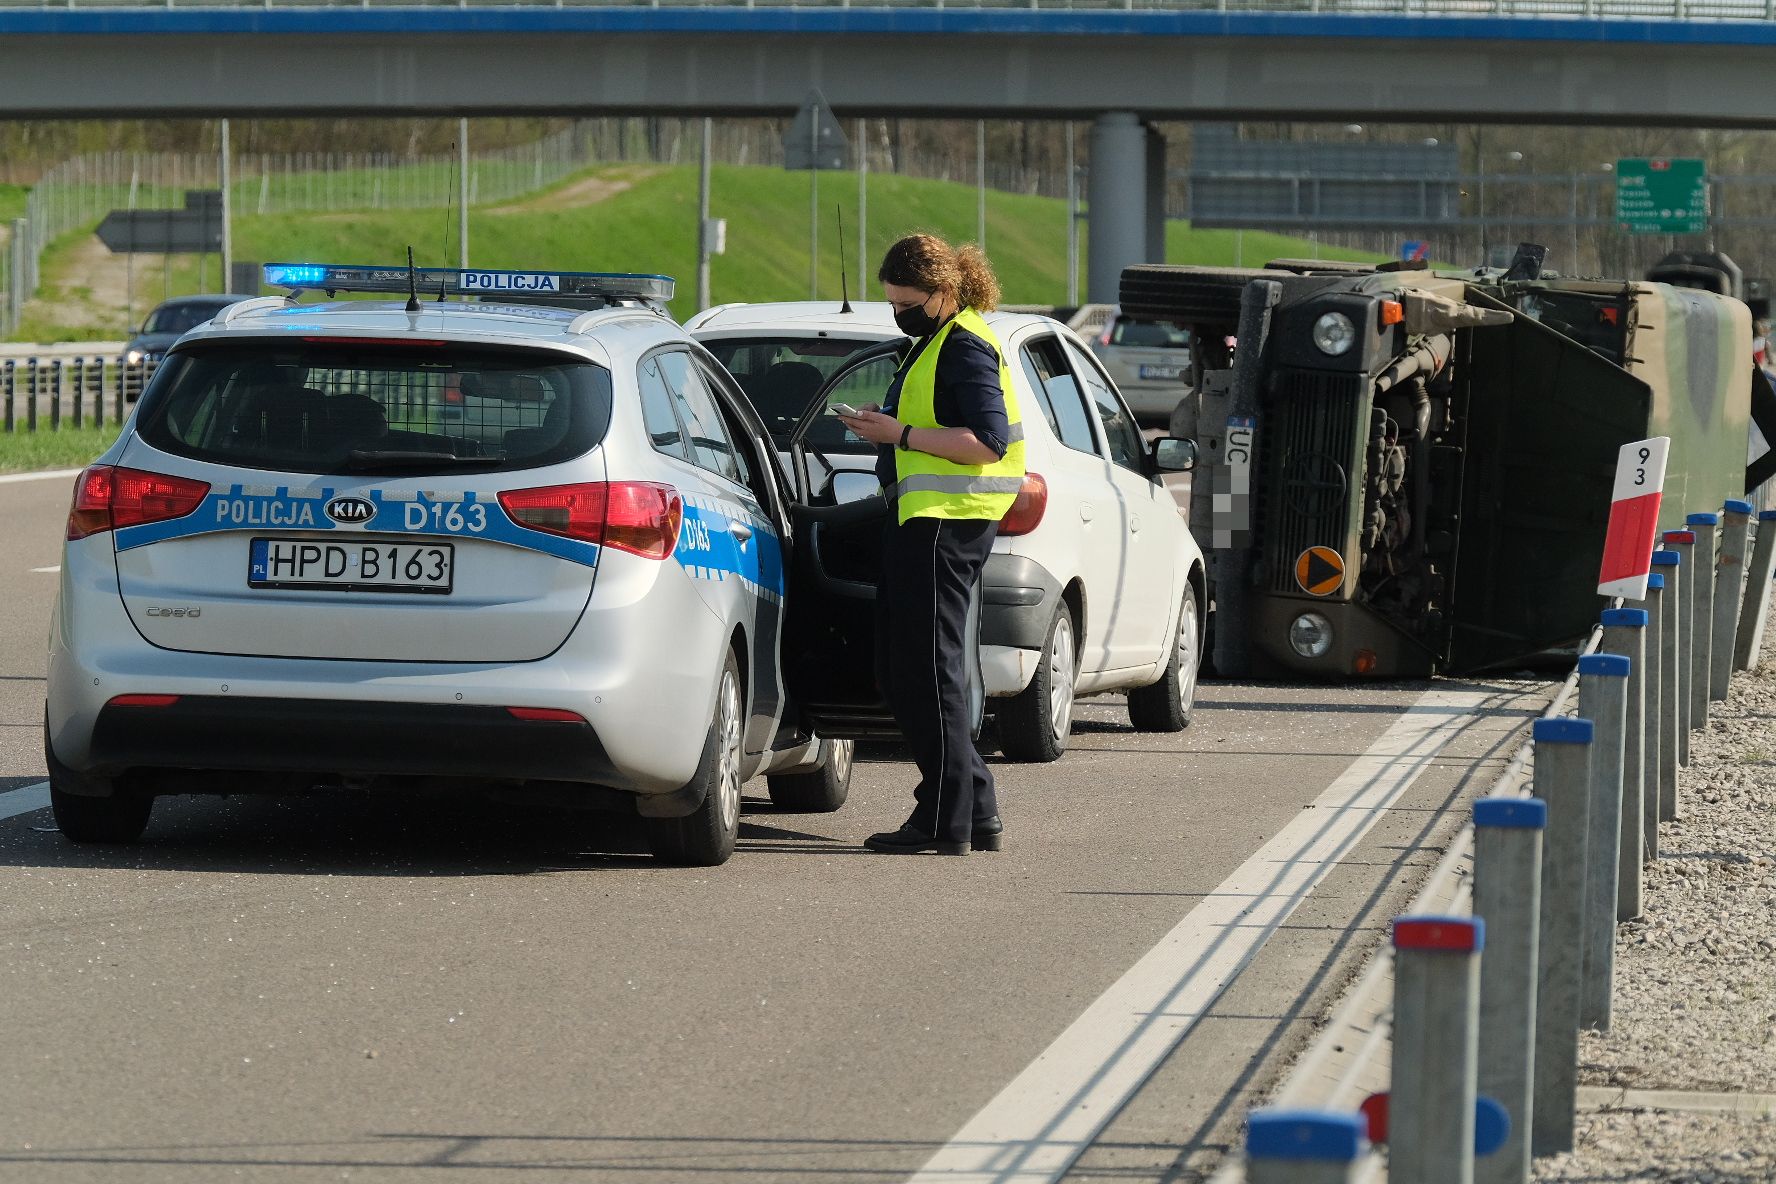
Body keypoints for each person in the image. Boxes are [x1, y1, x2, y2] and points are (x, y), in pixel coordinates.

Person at [835, 233, 1026, 856]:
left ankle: (946, 822)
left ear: (944, 293)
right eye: (891, 301)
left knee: (926, 674)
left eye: (907, 301)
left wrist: (902, 432)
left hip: (947, 522)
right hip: (928, 520)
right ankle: (978, 808)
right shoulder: (938, 340)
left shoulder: (964, 346)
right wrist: (886, 432)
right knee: (904, 671)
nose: (898, 312)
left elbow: (986, 442)